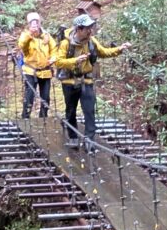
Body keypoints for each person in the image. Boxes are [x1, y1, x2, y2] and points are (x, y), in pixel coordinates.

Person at [52, 11, 128, 149]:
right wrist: (75, 60)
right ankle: (73, 137)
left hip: (86, 81)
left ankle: (89, 140)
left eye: (91, 28)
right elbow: (58, 62)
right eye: (87, 28)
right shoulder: (65, 43)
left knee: (89, 110)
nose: (90, 31)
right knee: (70, 111)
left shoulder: (91, 41)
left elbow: (103, 52)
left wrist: (119, 49)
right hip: (69, 81)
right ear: (78, 29)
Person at [15, 12, 56, 119]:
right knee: (29, 95)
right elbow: (22, 45)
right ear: (28, 24)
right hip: (30, 71)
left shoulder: (46, 36)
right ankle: (25, 117)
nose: (35, 25)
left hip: (45, 71)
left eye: (36, 22)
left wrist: (53, 58)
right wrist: (30, 35)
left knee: (46, 97)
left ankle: (43, 117)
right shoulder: (25, 35)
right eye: (32, 23)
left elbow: (54, 49)